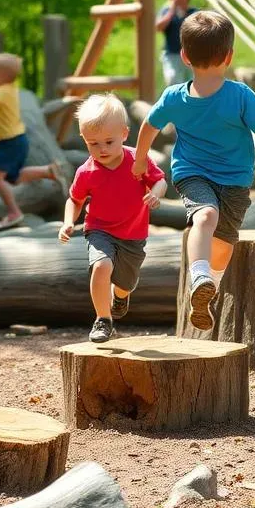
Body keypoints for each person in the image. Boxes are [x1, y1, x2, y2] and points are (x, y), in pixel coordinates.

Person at [133, 10, 255, 331]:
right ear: (229, 56)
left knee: (226, 241)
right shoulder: (232, 94)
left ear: (184, 56)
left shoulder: (210, 96)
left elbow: (148, 126)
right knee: (205, 216)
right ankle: (199, 276)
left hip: (234, 182)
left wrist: (140, 156)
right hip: (193, 173)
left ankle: (206, 290)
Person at [59, 94, 168, 344]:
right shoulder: (86, 172)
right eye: (93, 143)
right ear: (84, 140)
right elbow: (74, 200)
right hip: (99, 230)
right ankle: (102, 320)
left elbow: (159, 180)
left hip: (133, 234)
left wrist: (155, 194)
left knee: (125, 283)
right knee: (101, 266)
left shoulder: (136, 160)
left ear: (124, 134)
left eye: (109, 141)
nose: (102, 149)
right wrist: (68, 221)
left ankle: (120, 295)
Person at [0, 54, 60, 230]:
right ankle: (47, 171)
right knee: (12, 178)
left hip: (10, 142)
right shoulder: (9, 88)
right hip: (15, 140)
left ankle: (14, 212)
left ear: (2, 77)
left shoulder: (3, 91)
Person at [156, 0, 198, 87]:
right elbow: (159, 27)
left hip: (192, 55)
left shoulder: (194, 12)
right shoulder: (166, 11)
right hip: (172, 54)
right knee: (173, 80)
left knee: (193, 84)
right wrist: (172, 10)